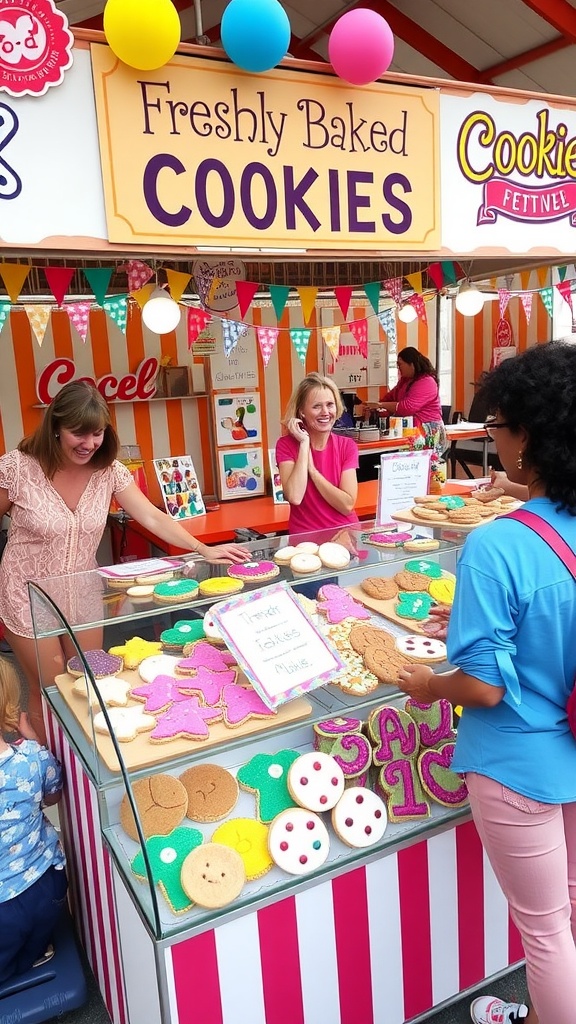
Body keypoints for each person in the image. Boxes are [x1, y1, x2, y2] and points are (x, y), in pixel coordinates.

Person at [395, 340, 576, 1024]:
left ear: (526, 435)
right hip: (574, 748)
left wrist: (430, 684)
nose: (491, 440)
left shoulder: (496, 544)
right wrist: (469, 624)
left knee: (545, 932)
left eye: (495, 428)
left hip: (517, 762)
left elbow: (486, 688)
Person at [0, 381, 250, 743]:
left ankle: (88, 759)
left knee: (90, 680)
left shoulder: (109, 471)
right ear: (55, 426)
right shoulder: (17, 468)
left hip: (82, 592)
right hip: (26, 594)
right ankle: (50, 765)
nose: (89, 444)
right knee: (51, 686)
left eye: (97, 433)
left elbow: (151, 517)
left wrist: (202, 548)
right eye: (78, 433)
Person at [0, 658, 67, 982]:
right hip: (46, 888)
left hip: (2, 914)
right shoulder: (31, 758)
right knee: (31, 934)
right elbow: (53, 794)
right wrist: (33, 742)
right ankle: (38, 950)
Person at [275, 372, 359, 536]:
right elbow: (294, 496)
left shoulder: (347, 446)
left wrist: (313, 471)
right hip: (305, 540)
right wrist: (304, 443)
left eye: (330, 404)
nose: (325, 412)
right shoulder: (285, 445)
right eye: (316, 406)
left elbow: (347, 505)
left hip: (346, 536)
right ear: (301, 412)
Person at [379, 347, 446, 443]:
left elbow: (407, 407)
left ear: (411, 364)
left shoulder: (427, 382)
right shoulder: (405, 381)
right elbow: (390, 397)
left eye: (400, 364)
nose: (399, 368)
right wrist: (374, 407)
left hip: (428, 432)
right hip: (411, 431)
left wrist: (381, 405)